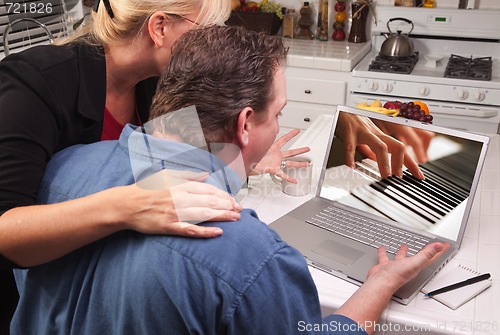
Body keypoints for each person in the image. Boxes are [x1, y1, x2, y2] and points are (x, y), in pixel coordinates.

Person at [12, 25, 449, 335]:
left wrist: (240, 163)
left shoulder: (62, 169)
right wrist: (382, 283)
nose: (278, 124)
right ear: (244, 124)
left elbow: (174, 139)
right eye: (277, 114)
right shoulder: (251, 257)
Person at [0, 1, 309, 331]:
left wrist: (244, 157)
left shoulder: (156, 82)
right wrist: (130, 204)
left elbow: (186, 156)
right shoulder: (36, 84)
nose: (213, 41)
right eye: (206, 29)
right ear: (159, 27)